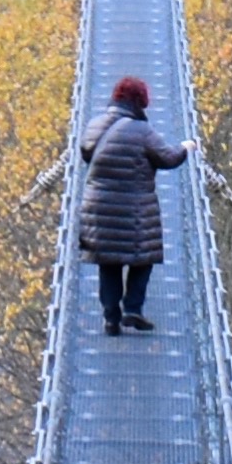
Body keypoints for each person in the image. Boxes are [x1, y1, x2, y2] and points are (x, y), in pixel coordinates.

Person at [75, 72, 188, 335]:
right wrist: (186, 147)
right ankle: (133, 309)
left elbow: (85, 152)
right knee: (142, 259)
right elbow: (168, 158)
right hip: (135, 211)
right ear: (140, 102)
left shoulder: (95, 126)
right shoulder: (142, 131)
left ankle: (111, 318)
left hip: (99, 209)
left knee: (109, 262)